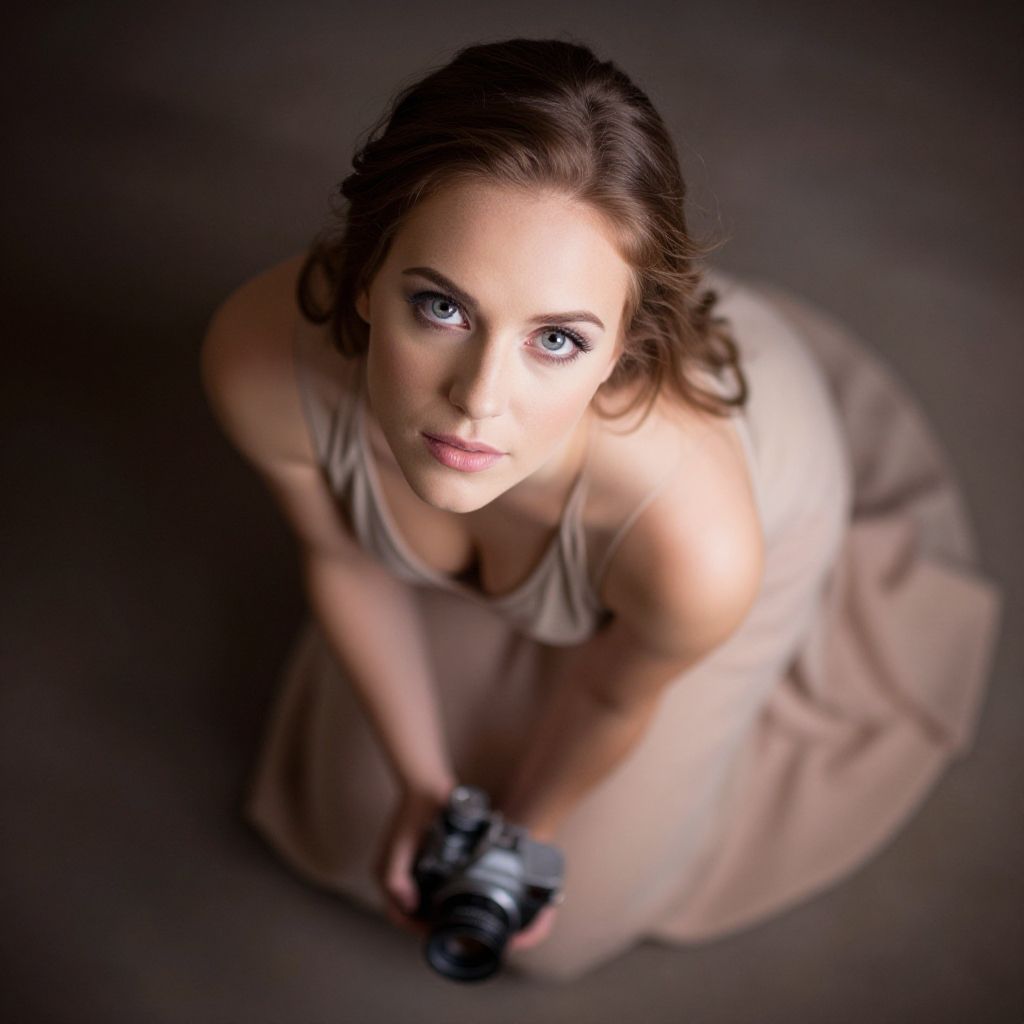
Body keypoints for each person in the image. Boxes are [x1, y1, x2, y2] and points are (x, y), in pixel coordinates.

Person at [199, 38, 1003, 983]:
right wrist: (422, 781)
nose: (478, 400)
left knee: (562, 938)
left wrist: (527, 831)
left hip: (715, 530)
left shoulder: (694, 539)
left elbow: (612, 690)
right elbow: (342, 558)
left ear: (621, 345)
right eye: (442, 308)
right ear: (368, 271)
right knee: (347, 830)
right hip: (581, 515)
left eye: (556, 339)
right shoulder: (258, 359)